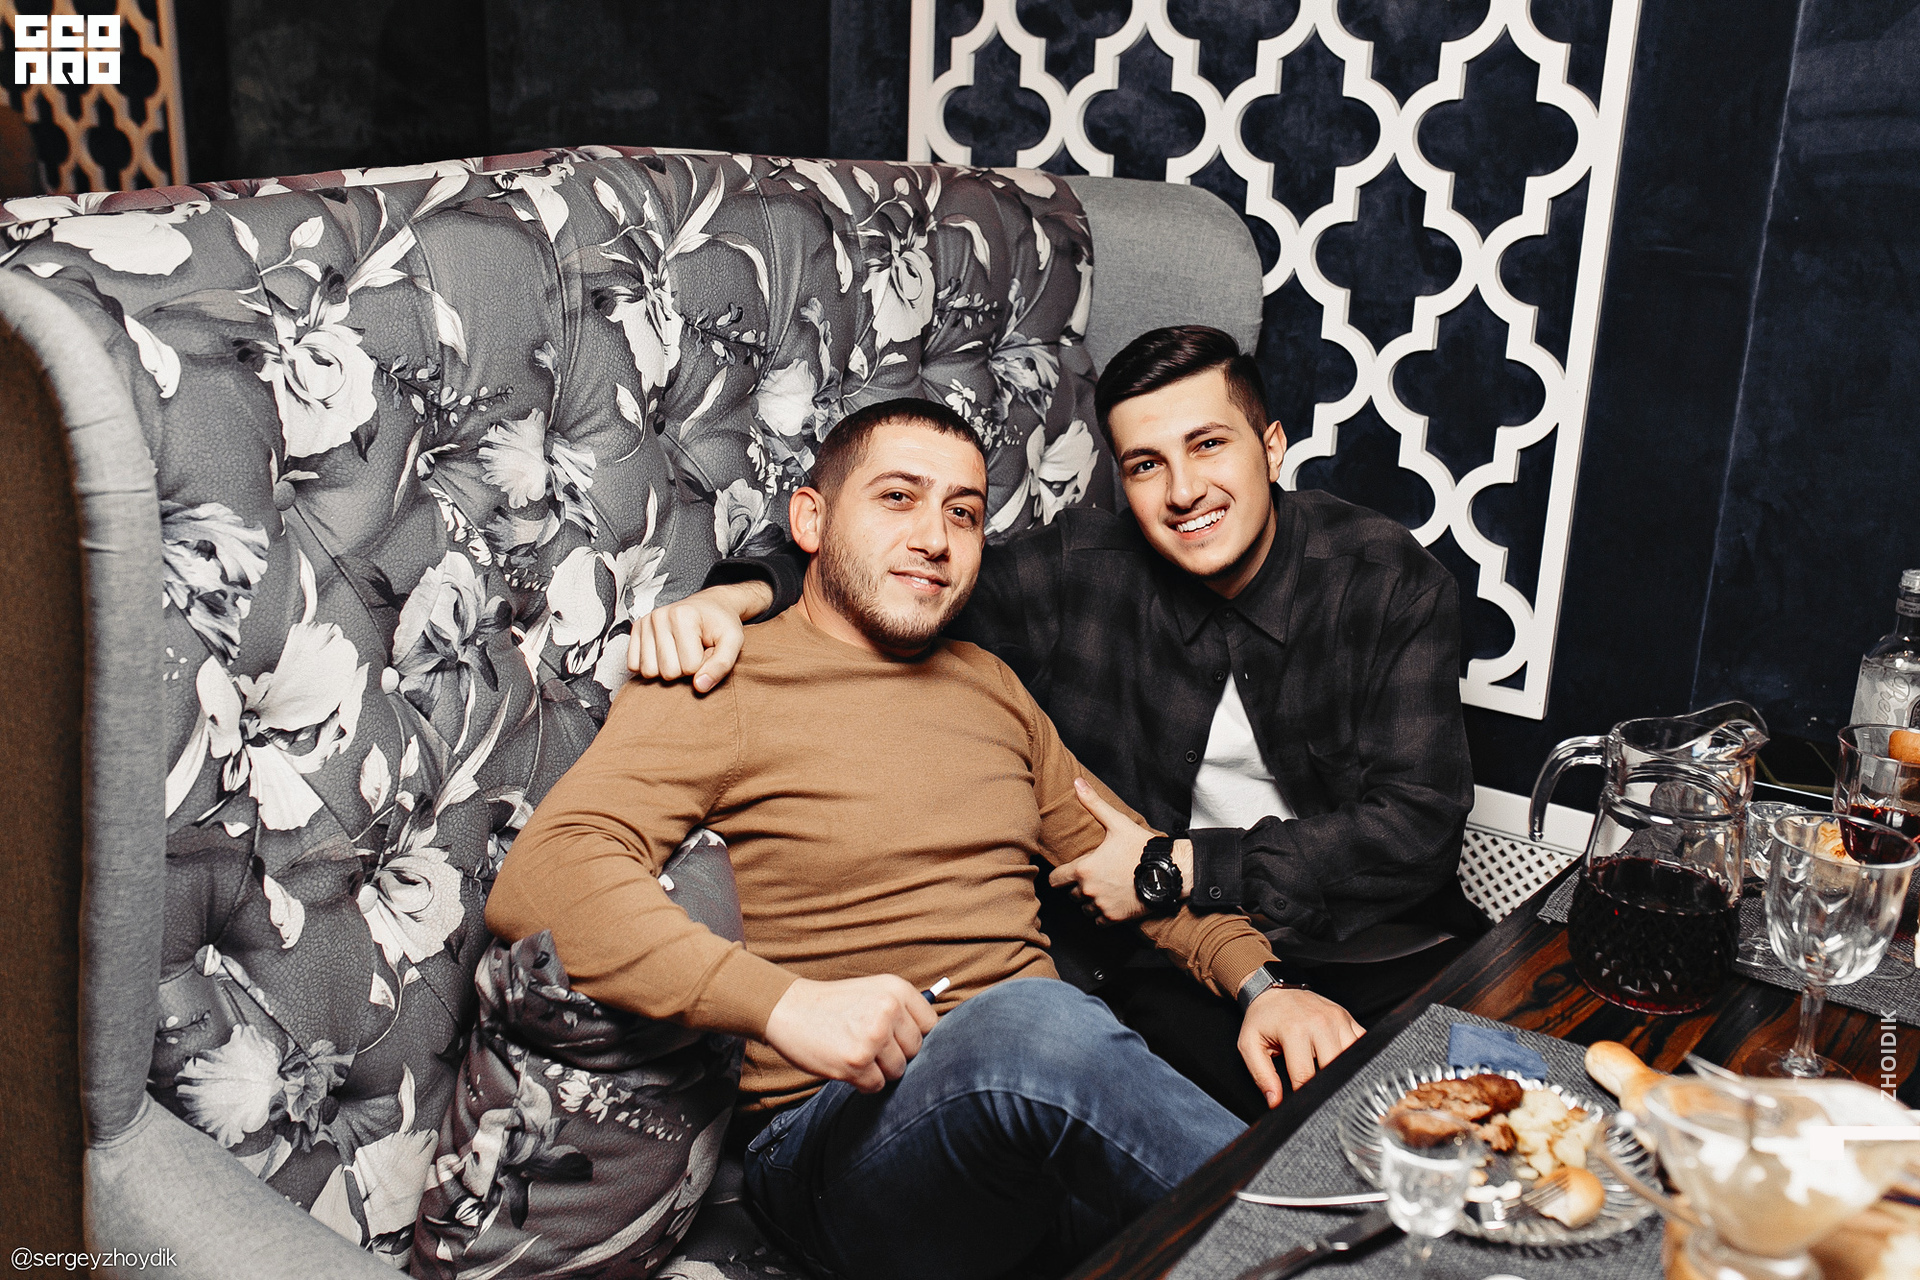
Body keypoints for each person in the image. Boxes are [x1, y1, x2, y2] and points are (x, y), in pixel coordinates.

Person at [487, 399, 1319, 1280]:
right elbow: (547, 874)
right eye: (898, 498)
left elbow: (1125, 854)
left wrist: (1266, 986)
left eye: (963, 512)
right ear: (811, 521)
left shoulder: (989, 685)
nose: (934, 538)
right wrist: (782, 1004)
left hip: (1042, 1113)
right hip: (836, 1142)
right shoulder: (720, 677)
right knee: (1034, 1027)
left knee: (1326, 1085)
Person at [634, 326, 1482, 1121]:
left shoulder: (1382, 580)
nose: (1183, 491)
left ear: (1271, 448)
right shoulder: (1081, 571)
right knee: (1276, 1152)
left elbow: (1418, 827)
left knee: (1496, 1116)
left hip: (1372, 947)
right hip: (1175, 970)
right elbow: (894, 572)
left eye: (1208, 446)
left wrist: (1176, 866)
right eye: (1146, 464)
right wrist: (739, 594)